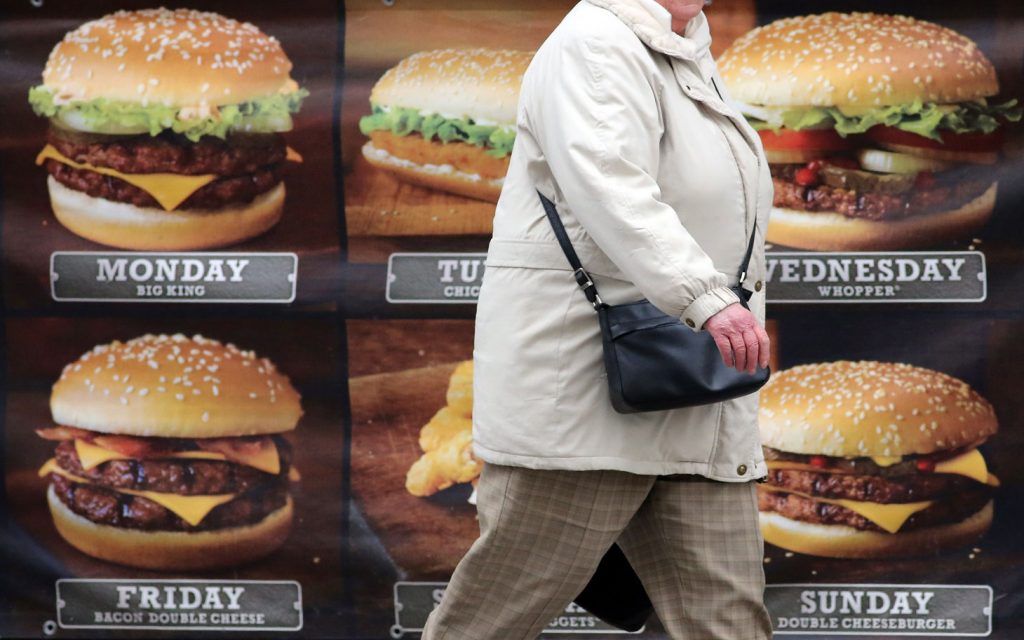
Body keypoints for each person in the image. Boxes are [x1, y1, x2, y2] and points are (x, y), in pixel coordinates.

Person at [422, 0, 774, 638]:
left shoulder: (683, 48)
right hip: (584, 404)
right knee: (493, 621)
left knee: (728, 618)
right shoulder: (593, 40)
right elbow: (610, 183)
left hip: (692, 391)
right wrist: (708, 298)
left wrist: (712, 304)